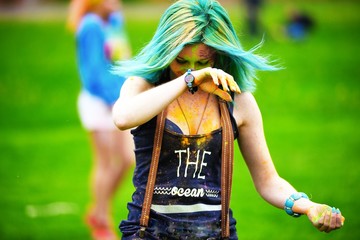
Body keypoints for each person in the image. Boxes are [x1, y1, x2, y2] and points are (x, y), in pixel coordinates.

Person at [112, 0, 345, 239]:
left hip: (216, 233)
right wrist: (188, 81)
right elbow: (122, 117)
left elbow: (268, 181)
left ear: (218, 55)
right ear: (166, 50)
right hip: (148, 233)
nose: (192, 69)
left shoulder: (238, 102)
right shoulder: (143, 87)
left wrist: (309, 207)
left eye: (203, 62)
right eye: (181, 61)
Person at [67, 0, 133, 239]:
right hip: (98, 102)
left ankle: (98, 207)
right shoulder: (90, 27)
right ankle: (102, 222)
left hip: (118, 99)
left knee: (127, 159)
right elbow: (92, 72)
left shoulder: (115, 21)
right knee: (105, 163)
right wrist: (110, 98)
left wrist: (127, 92)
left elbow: (122, 58)